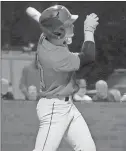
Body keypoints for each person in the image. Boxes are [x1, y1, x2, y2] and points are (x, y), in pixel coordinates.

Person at [29, 5, 99, 151]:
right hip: (54, 110)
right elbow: (88, 57)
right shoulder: (57, 58)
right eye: (68, 25)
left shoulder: (46, 38)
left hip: (68, 106)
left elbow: (57, 35)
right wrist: (89, 30)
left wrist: (63, 34)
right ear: (58, 32)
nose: (72, 26)